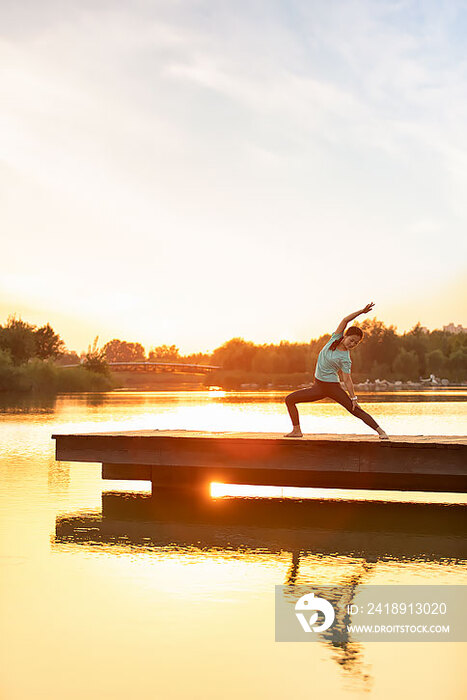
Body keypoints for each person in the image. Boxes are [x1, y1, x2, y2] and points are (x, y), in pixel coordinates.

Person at [284, 303, 389, 439]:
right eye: (351, 340)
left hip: (332, 387)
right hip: (318, 387)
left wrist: (354, 398)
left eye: (355, 343)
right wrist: (361, 312)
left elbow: (347, 379)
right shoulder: (335, 338)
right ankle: (297, 431)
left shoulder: (345, 358)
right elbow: (345, 320)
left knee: (354, 410)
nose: (352, 344)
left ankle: (381, 432)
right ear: (345, 336)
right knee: (290, 400)